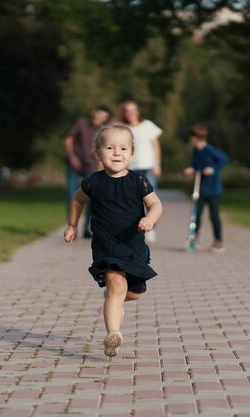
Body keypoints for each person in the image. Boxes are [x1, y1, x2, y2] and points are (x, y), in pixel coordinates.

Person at [64, 123, 163, 358]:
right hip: (106, 244)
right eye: (110, 148)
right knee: (116, 284)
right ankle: (112, 334)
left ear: (131, 153)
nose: (117, 153)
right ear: (98, 153)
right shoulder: (93, 182)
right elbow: (77, 201)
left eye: (123, 148)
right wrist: (72, 225)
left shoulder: (139, 181)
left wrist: (150, 219)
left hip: (133, 245)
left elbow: (155, 204)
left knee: (132, 293)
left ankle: (113, 299)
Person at [118, 100, 162, 243]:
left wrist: (157, 164)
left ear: (138, 111)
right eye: (127, 110)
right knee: (131, 199)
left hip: (148, 166)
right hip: (130, 168)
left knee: (150, 199)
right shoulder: (122, 128)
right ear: (124, 113)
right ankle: (131, 228)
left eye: (133, 110)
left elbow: (156, 145)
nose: (131, 113)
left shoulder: (147, 125)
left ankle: (151, 228)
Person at [64, 105, 111, 238]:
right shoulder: (81, 123)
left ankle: (87, 229)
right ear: (94, 112)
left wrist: (101, 172)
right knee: (72, 197)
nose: (100, 118)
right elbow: (68, 140)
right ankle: (72, 228)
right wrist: (72, 157)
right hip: (73, 165)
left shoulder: (103, 131)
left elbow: (102, 151)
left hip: (90, 167)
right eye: (99, 114)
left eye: (104, 117)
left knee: (92, 197)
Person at [183, 124, 229, 253]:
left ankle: (218, 241)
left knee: (214, 215)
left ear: (196, 138)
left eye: (191, 137)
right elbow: (196, 165)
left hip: (213, 189)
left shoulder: (209, 149)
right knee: (196, 214)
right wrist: (191, 169)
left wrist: (212, 168)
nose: (190, 140)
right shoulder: (196, 151)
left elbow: (224, 159)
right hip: (200, 188)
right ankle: (193, 238)